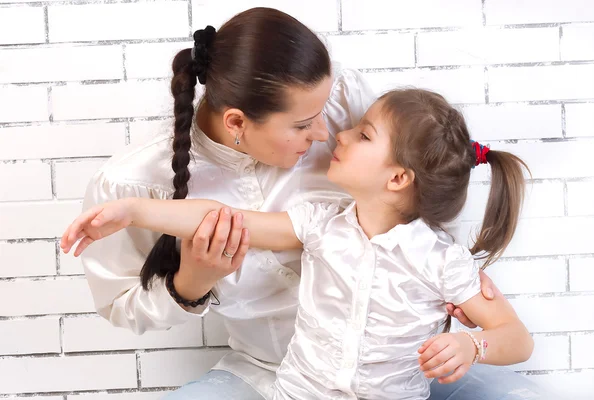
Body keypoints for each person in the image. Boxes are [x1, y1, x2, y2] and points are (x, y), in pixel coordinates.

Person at [74, 7, 545, 400]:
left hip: (401, 375)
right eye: (304, 125)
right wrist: (174, 262)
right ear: (237, 122)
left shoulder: (344, 110)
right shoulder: (319, 222)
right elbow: (221, 220)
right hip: (281, 378)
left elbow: (419, 165)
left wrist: (465, 332)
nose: (331, 132)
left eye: (355, 132)